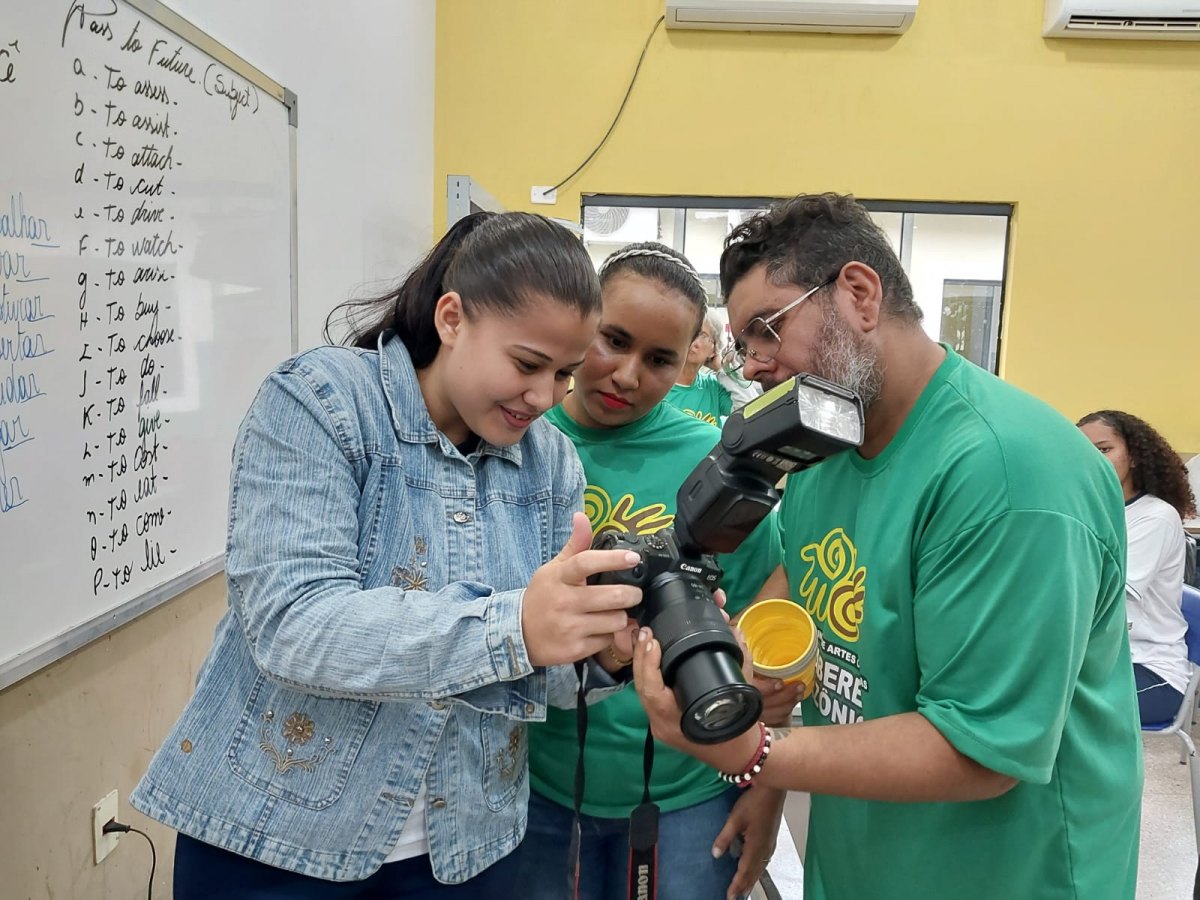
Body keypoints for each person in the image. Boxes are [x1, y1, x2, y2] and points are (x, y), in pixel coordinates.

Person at [631, 193, 1142, 900]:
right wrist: (743, 664)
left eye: (767, 331)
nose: (751, 367)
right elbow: (806, 572)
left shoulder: (1008, 472)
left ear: (859, 295)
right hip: (864, 859)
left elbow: (978, 750)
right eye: (743, 345)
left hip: (1006, 875)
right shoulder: (829, 443)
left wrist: (752, 754)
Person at [129, 212, 648, 898]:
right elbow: (293, 625)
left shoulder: (549, 462)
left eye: (565, 374)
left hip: (468, 851)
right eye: (526, 364)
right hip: (278, 843)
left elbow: (531, 675)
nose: (543, 397)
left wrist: (599, 648)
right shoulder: (322, 401)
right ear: (452, 318)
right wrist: (514, 626)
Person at [518, 242, 791, 900]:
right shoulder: (518, 438)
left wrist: (768, 786)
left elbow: (766, 637)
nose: (626, 375)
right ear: (582, 324)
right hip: (532, 793)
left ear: (688, 361)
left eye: (659, 359)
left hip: (691, 796)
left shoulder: (718, 462)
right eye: (612, 340)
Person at [1078, 409, 1197, 725]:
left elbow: (1099, 598)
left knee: (1041, 703)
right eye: (1083, 452)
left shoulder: (1154, 517)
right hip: (1098, 662)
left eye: (1104, 450)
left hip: (1150, 671)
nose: (1093, 460)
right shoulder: (1090, 512)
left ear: (1133, 456)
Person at [664, 310, 733, 425]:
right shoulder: (659, 386)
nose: (693, 342)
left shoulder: (713, 387)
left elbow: (751, 411)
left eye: (702, 335)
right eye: (690, 332)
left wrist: (722, 367)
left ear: (713, 350)